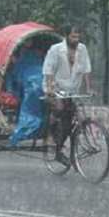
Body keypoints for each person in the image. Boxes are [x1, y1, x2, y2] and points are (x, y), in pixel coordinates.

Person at [42, 25, 94, 165]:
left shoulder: (82, 49)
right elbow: (49, 70)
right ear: (66, 36)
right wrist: (51, 88)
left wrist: (89, 88)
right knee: (60, 109)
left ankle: (67, 149)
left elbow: (86, 69)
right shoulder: (56, 50)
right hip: (55, 88)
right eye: (73, 37)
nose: (76, 40)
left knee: (71, 120)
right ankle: (52, 133)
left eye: (78, 37)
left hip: (72, 90)